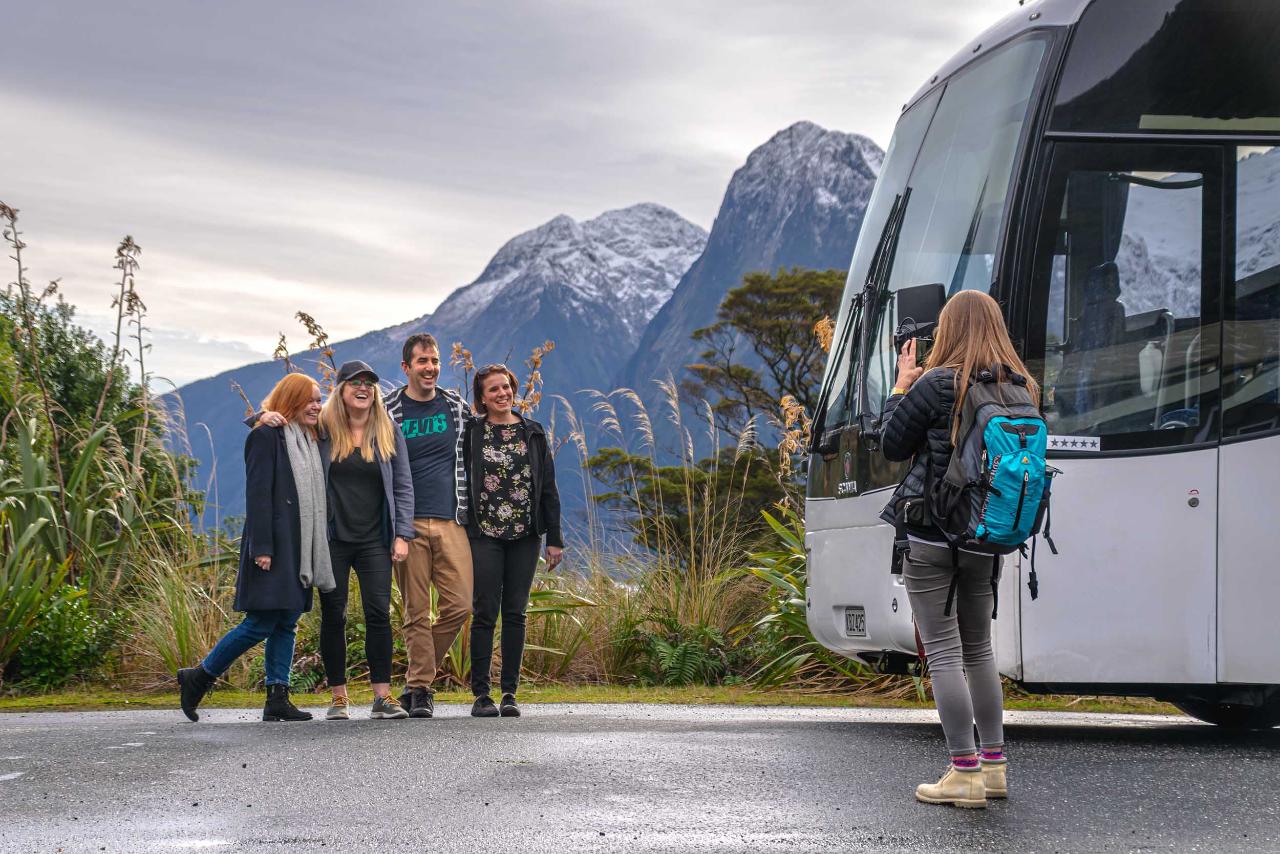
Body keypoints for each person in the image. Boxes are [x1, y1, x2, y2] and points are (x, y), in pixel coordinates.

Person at [878, 289, 1036, 807]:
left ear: (947, 330)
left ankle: (963, 772)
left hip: (932, 531)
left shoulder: (935, 383)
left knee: (942, 650)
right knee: (979, 650)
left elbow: (891, 447)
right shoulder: (1021, 386)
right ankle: (994, 768)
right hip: (988, 535)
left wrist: (901, 387)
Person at [177, 373, 335, 723]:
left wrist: (258, 414)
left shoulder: (311, 437)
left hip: (301, 544)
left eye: (318, 398)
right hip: (275, 545)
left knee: (287, 621)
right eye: (308, 399)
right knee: (261, 622)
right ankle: (199, 677)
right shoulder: (267, 436)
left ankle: (277, 697)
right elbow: (258, 493)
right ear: (291, 401)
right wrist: (262, 546)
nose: (316, 405)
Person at [316, 360, 415, 721]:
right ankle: (339, 697)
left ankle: (382, 697)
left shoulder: (387, 430)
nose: (363, 389)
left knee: (378, 614)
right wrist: (263, 419)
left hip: (375, 539)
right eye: (355, 383)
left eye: (369, 384)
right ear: (341, 389)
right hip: (333, 539)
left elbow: (403, 485)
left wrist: (402, 534)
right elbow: (277, 421)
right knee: (334, 614)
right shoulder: (323, 428)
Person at [463, 364, 563, 718]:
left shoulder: (532, 433)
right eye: (493, 390)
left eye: (506, 387)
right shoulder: (472, 433)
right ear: (482, 398)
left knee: (516, 613)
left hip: (526, 535)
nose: (502, 393)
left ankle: (509, 693)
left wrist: (555, 538)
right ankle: (481, 695)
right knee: (485, 612)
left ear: (513, 389)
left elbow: (548, 487)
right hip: (485, 533)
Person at [388, 333, 474, 718]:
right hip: (405, 525)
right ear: (406, 367)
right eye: (422, 361)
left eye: (435, 360)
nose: (430, 367)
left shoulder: (455, 405)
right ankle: (421, 690)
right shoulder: (388, 409)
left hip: (452, 518)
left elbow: (487, 434)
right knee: (416, 611)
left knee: (460, 605)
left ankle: (414, 680)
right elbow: (341, 418)